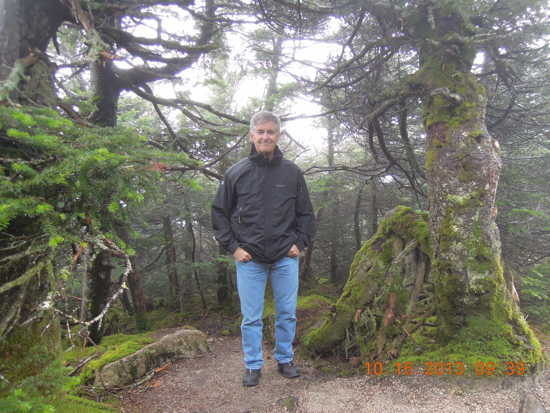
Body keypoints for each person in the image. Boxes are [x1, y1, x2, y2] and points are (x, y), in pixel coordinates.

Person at [211, 110, 316, 387]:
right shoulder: (236, 172)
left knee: (287, 313)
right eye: (260, 132)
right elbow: (219, 213)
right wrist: (233, 247)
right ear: (252, 135)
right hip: (250, 259)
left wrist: (300, 243)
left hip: (284, 257)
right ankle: (253, 364)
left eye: (271, 132)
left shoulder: (292, 172)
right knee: (251, 317)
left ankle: (285, 359)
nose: (265, 136)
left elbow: (306, 214)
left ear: (278, 136)